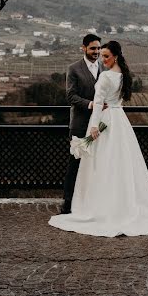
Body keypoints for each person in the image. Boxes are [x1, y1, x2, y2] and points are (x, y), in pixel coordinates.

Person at [49, 40, 148, 237]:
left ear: (115, 56)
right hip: (119, 121)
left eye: (106, 56)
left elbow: (99, 104)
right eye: (101, 55)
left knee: (103, 164)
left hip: (104, 121)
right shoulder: (123, 75)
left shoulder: (106, 77)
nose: (103, 59)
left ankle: (101, 206)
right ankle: (123, 202)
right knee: (121, 163)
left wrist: (93, 127)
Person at [60, 33, 103, 214]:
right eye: (93, 48)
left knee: (97, 164)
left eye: (99, 48)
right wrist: (90, 104)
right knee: (75, 163)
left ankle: (91, 202)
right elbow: (70, 96)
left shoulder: (104, 68)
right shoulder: (74, 68)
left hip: (99, 125)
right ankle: (68, 203)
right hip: (79, 124)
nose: (96, 52)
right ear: (83, 48)